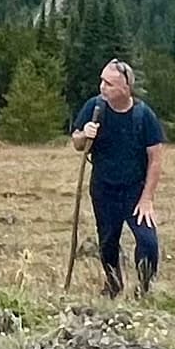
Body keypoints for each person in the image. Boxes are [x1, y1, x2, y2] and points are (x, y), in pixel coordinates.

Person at [70, 57, 166, 299]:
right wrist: (85, 134)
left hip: (135, 190)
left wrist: (147, 199)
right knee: (108, 243)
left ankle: (144, 290)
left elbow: (155, 158)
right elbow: (77, 143)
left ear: (126, 88)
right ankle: (113, 284)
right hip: (104, 189)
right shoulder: (95, 108)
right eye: (102, 81)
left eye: (109, 84)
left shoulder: (143, 116)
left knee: (148, 242)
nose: (103, 87)